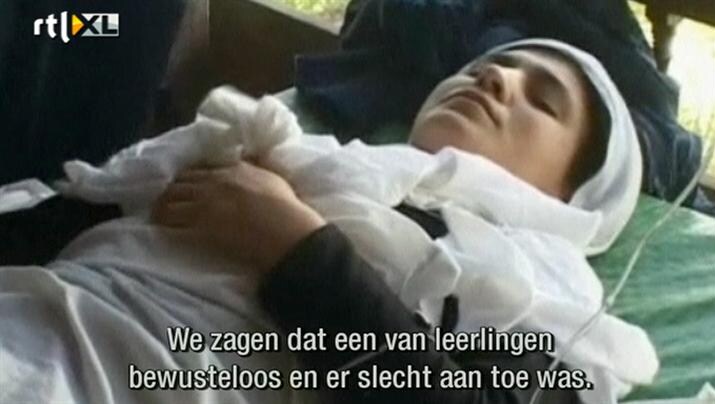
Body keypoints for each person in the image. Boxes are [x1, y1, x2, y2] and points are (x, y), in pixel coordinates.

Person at [0, 39, 656, 404]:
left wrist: (296, 248)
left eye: (542, 101)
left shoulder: (547, 294)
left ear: (576, 197)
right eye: (486, 67)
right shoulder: (298, 151)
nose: (496, 80)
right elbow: (81, 208)